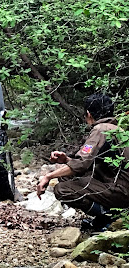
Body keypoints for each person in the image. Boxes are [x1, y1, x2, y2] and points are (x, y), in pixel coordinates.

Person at [37, 94, 129, 229]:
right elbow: (88, 163)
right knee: (66, 176)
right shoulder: (118, 130)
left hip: (122, 191)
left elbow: (81, 164)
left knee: (63, 189)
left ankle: (108, 217)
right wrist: (67, 160)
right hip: (121, 186)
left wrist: (48, 176)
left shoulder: (101, 129)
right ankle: (110, 215)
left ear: (88, 114)